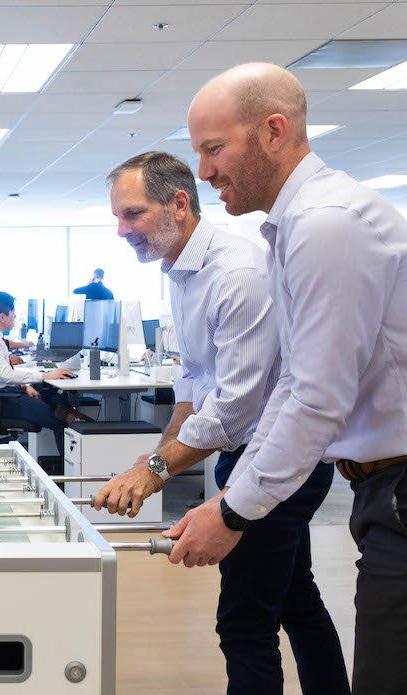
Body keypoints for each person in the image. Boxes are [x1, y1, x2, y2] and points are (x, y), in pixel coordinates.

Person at [169, 62, 407, 695]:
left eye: (214, 149)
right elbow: (292, 386)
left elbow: (317, 397)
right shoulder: (293, 226)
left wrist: (235, 512)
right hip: (375, 490)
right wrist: (231, 499)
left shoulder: (326, 224)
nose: (204, 171)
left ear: (274, 131)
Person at [96, 151, 348, 694]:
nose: (121, 230)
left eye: (133, 214)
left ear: (179, 205)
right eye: (117, 217)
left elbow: (234, 407)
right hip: (247, 452)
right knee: (294, 598)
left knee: (244, 619)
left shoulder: (237, 273)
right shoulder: (180, 271)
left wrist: (158, 471)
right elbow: (195, 384)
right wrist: (153, 458)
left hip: (280, 458)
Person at [0, 291, 74, 452]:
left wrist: (25, 384)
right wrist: (45, 375)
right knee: (60, 420)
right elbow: (6, 375)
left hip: (10, 392)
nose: (15, 317)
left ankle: (69, 413)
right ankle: (67, 474)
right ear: (3, 317)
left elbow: (3, 373)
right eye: (13, 314)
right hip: (5, 400)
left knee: (54, 395)